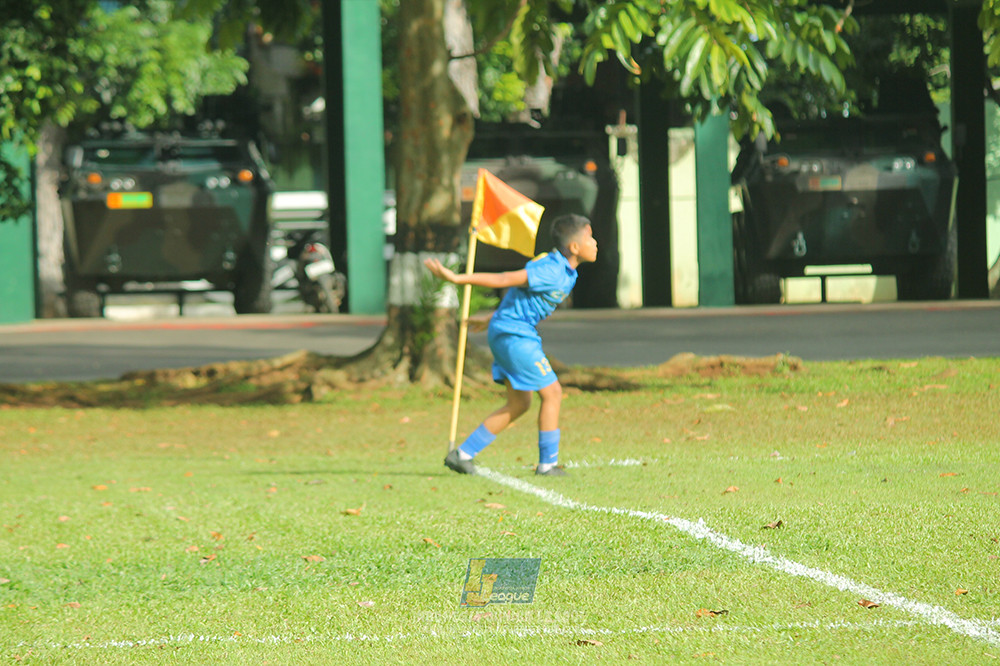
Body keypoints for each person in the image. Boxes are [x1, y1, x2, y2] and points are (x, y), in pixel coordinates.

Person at [424, 214, 599, 477]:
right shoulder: (550, 269)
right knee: (553, 393)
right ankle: (547, 464)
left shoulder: (566, 272)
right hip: (516, 336)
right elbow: (506, 279)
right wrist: (458, 279)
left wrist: (492, 319)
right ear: (574, 248)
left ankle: (462, 454)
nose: (595, 243)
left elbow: (521, 299)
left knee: (519, 403)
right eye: (589, 237)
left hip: (509, 330)